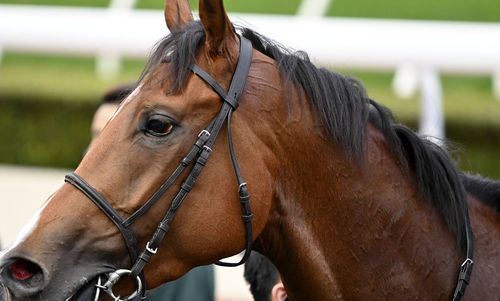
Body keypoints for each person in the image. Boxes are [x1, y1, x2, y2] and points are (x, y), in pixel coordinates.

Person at [91, 83, 215, 301]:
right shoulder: (108, 235)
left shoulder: (168, 247)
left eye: (106, 139)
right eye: (95, 137)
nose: (93, 152)